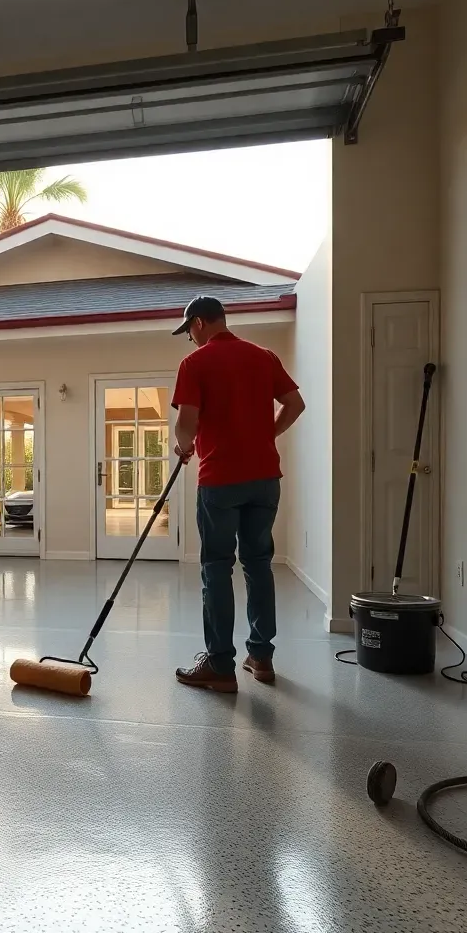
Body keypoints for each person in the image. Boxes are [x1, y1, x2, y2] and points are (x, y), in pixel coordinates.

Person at [170, 296, 306, 693]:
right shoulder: (263, 356)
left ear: (198, 323)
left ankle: (220, 666)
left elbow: (186, 422)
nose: (190, 341)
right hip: (265, 478)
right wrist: (267, 435)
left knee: (216, 567)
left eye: (189, 333)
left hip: (220, 481)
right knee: (258, 563)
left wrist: (184, 446)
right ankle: (261, 658)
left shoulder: (195, 364)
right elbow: (295, 404)